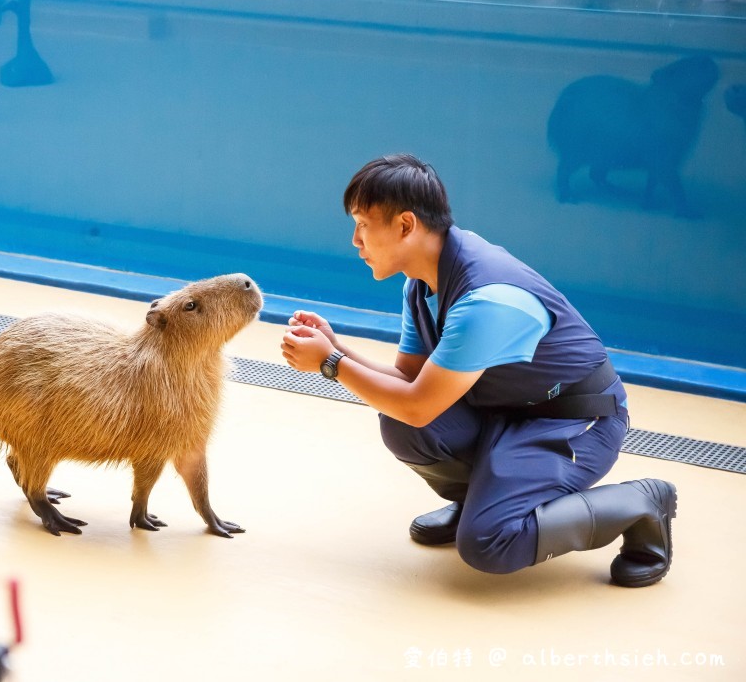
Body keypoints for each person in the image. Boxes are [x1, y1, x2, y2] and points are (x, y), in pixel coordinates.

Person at [280, 153, 676, 587]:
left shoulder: (485, 300)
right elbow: (411, 385)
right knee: (402, 427)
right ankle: (479, 499)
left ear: (406, 225)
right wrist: (337, 348)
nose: (355, 240)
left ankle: (640, 503)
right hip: (509, 411)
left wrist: (330, 364)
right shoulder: (423, 281)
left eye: (362, 224)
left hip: (575, 421)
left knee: (490, 542)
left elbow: (417, 405)